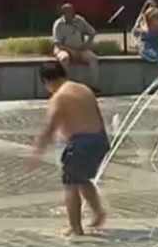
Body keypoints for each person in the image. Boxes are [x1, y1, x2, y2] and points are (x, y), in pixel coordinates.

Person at [29, 61, 110, 237]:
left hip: (81, 144)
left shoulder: (59, 97)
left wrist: (37, 151)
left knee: (70, 183)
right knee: (82, 179)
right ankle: (98, 213)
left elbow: (49, 128)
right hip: (100, 140)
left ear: (47, 81)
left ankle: (75, 227)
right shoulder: (83, 88)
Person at [51, 3, 101, 93]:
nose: (69, 14)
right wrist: (71, 51)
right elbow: (57, 43)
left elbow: (92, 32)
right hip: (63, 49)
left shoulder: (80, 21)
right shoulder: (58, 24)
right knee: (64, 58)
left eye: (70, 11)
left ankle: (94, 86)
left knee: (93, 58)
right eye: (66, 12)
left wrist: (87, 44)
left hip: (80, 49)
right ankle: (64, 86)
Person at [134, 5, 158, 75]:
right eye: (156, 18)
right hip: (147, 49)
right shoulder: (144, 26)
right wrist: (143, 19)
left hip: (157, 48)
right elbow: (136, 32)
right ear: (150, 19)